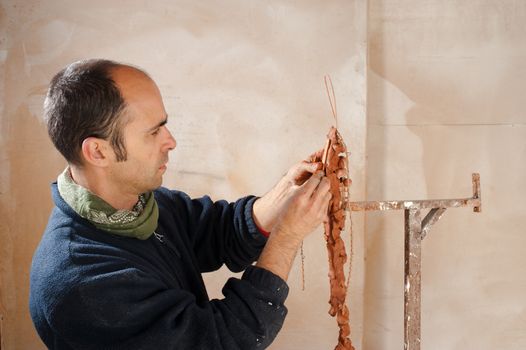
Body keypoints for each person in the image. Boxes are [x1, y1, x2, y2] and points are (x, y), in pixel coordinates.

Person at [29, 59, 332, 350]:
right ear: (98, 152)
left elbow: (219, 231)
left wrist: (285, 193)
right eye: (153, 131)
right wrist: (288, 237)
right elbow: (220, 339)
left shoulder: (141, 205)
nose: (171, 141)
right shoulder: (83, 282)